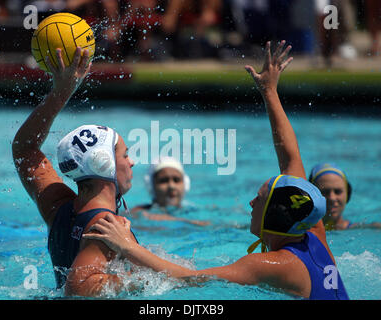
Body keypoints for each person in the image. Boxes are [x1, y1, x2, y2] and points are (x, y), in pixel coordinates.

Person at [83, 41, 350, 300]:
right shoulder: (311, 230)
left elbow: (190, 279)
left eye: (259, 198)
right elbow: (290, 158)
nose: (251, 202)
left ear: (276, 214)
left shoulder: (272, 264)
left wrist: (127, 246)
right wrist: (269, 91)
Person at [12, 47, 138, 297]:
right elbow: (79, 288)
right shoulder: (106, 228)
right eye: (124, 155)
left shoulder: (58, 207)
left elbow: (25, 148)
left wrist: (61, 92)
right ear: (104, 164)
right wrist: (139, 278)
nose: (131, 162)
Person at [131, 156, 210, 226]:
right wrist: (188, 222)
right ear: (151, 186)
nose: (171, 186)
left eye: (176, 180)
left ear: (185, 184)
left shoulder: (195, 209)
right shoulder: (139, 212)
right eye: (164, 180)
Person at [309, 163, 381, 230]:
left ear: (347, 195)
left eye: (338, 192)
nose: (332, 198)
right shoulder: (300, 232)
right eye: (324, 192)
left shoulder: (370, 229)